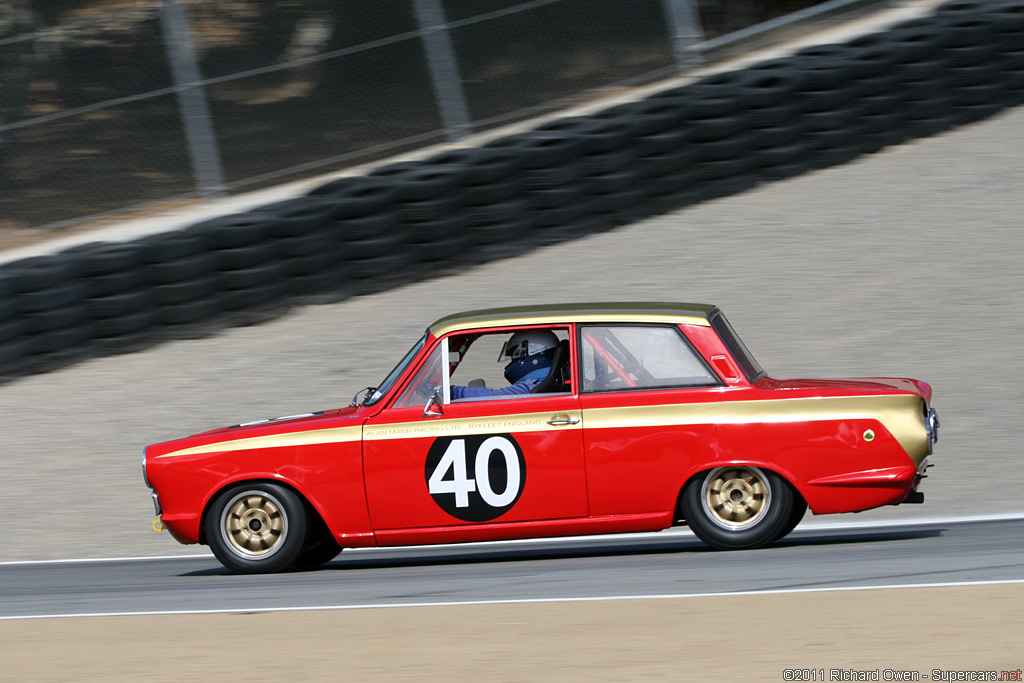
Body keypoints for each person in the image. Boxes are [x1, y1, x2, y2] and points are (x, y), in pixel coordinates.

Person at [450, 330, 559, 400]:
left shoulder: (532, 386)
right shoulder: (549, 382)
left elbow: (493, 397)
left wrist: (454, 392)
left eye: (513, 356)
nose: (512, 361)